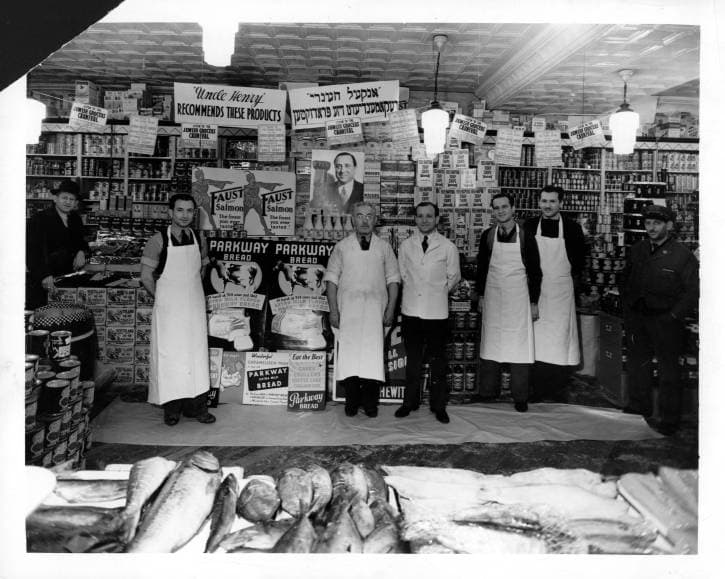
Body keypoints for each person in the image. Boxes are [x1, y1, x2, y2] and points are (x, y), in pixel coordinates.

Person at [621, 205, 699, 435]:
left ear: (669, 226)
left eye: (657, 223)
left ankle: (669, 419)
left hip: (666, 321)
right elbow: (625, 280)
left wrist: (674, 316)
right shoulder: (638, 249)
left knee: (669, 371)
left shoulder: (682, 255)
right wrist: (628, 308)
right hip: (639, 318)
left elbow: (693, 292)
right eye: (647, 223)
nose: (651, 228)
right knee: (638, 365)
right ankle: (639, 407)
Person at [140, 193, 215, 426]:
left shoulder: (198, 238)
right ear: (170, 212)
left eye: (189, 211)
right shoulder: (158, 241)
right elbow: (145, 277)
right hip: (170, 311)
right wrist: (162, 298)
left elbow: (201, 269)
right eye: (180, 210)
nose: (185, 215)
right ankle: (171, 410)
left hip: (193, 308)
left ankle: (197, 408)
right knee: (171, 357)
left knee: (196, 356)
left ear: (194, 214)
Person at [324, 202, 400, 418]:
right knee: (348, 356)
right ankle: (351, 402)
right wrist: (334, 311)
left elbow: (393, 280)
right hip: (348, 311)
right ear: (353, 220)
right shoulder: (342, 247)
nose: (365, 220)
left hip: (376, 311)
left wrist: (390, 309)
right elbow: (331, 280)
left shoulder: (384, 247)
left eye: (369, 216)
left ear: (375, 220)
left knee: (371, 357)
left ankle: (370, 403)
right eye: (360, 216)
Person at [395, 202, 460, 423]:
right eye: (420, 216)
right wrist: (419, 290)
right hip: (411, 311)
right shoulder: (406, 246)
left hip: (436, 313)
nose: (424, 220)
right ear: (415, 219)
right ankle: (409, 402)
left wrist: (436, 292)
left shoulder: (448, 247)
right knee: (412, 361)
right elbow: (403, 274)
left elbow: (454, 277)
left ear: (437, 219)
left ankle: (438, 406)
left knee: (438, 362)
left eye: (429, 216)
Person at [476, 192, 542, 412]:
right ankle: (488, 392)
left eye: (504, 207)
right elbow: (482, 270)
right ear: (492, 211)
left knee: (520, 346)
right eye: (496, 208)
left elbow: (535, 272)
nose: (500, 211)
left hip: (518, 298)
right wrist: (481, 297)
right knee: (491, 342)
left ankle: (520, 397)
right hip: (493, 296)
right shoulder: (488, 235)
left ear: (513, 209)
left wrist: (534, 302)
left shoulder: (526, 236)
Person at [523, 185, 586, 402]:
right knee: (537, 340)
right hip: (536, 290)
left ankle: (558, 389)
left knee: (559, 339)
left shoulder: (572, 228)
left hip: (560, 290)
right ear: (538, 202)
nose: (547, 205)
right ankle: (537, 390)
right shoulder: (530, 226)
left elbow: (578, 263)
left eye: (552, 201)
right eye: (544, 201)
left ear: (561, 203)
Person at [26, 179, 88, 308]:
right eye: (64, 198)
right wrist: (43, 275)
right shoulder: (40, 219)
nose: (67, 202)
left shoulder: (75, 219)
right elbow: (32, 251)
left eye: (72, 199)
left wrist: (81, 252)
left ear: (76, 203)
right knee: (43, 316)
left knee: (65, 316)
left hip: (67, 277)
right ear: (55, 198)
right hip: (45, 278)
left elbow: (81, 241)